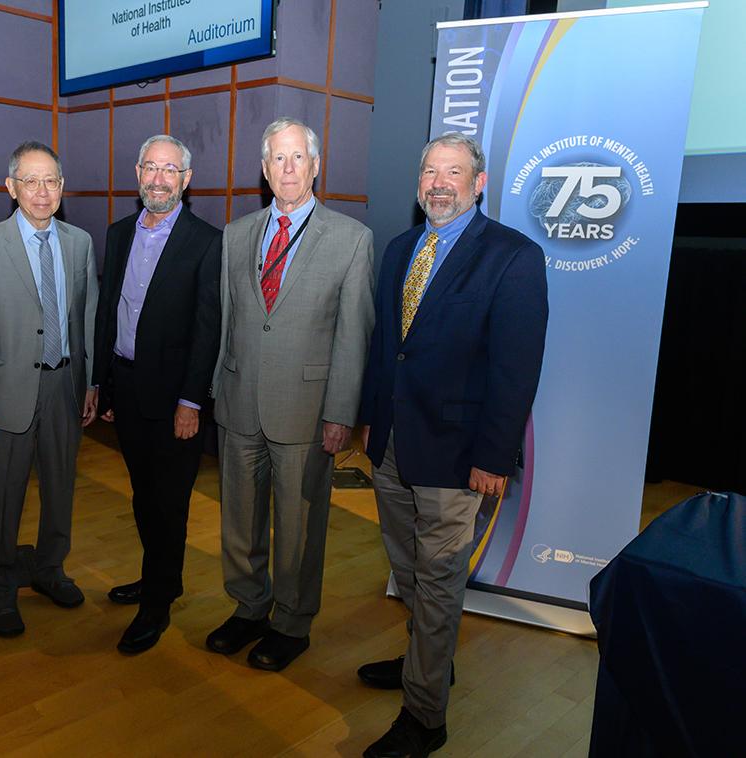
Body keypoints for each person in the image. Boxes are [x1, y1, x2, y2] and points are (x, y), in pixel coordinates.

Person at [357, 133, 548, 758]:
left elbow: (516, 368)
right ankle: (429, 661)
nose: (440, 183)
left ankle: (424, 717)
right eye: (430, 171)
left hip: (456, 454)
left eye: (455, 172)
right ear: (419, 182)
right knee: (408, 568)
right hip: (390, 445)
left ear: (480, 181)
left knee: (438, 579)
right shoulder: (399, 248)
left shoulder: (513, 257)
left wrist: (494, 456)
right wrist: (367, 421)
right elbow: (388, 348)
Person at [209, 117, 375, 672]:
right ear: (263, 169)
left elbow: (354, 335)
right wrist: (216, 390)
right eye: (277, 159)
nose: (287, 168)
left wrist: (340, 414)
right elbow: (230, 322)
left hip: (307, 412)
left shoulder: (351, 239)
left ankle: (291, 623)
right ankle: (249, 606)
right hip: (239, 404)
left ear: (316, 165)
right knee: (239, 519)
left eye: (297, 158)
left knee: (300, 526)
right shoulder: (237, 235)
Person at [0, 141, 98, 638]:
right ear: (11, 187)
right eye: (31, 181)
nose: (42, 192)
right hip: (6, 391)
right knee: (0, 497)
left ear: (62, 188)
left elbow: (87, 319)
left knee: (60, 488)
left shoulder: (80, 242)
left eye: (52, 181)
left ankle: (49, 569)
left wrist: (90, 382)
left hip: (65, 385)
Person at [93, 134, 222, 654]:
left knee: (169, 504)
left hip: (175, 404)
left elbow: (207, 327)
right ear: (137, 174)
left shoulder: (207, 241)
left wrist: (192, 401)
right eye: (150, 167)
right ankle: (157, 579)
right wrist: (101, 382)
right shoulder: (119, 232)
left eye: (171, 170)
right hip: (126, 390)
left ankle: (158, 604)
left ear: (186, 181)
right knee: (144, 497)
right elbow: (109, 312)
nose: (159, 179)